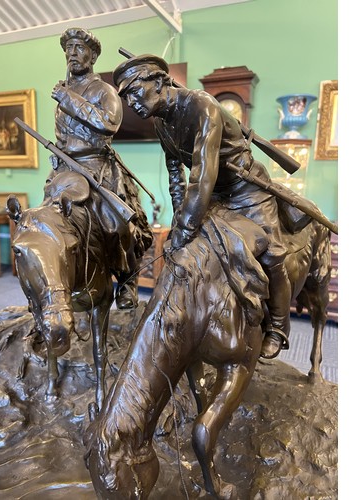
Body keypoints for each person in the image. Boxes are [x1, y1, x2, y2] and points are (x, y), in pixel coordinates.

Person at [113, 54, 292, 359]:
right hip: (214, 196)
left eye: (134, 91)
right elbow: (176, 178)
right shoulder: (162, 124)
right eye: (126, 97)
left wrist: (186, 227)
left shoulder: (202, 106)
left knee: (273, 255)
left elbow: (202, 174)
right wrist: (178, 223)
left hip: (247, 191)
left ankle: (277, 325)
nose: (131, 103)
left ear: (159, 82)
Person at [46, 27, 152, 310]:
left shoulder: (103, 91)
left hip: (96, 167)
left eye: (79, 48)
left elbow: (109, 123)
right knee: (43, 224)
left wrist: (68, 99)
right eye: (68, 49)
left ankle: (127, 281)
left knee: (118, 226)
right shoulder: (64, 89)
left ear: (92, 57)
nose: (72, 54)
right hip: (63, 170)